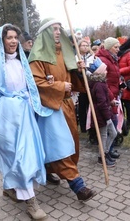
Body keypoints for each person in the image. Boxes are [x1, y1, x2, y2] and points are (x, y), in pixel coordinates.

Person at [0, 24, 52, 220]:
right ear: (2, 40)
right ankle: (31, 203)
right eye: (9, 37)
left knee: (26, 154)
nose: (13, 41)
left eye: (15, 37)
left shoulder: (22, 63)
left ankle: (11, 187)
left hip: (26, 117)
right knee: (18, 156)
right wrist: (13, 103)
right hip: (8, 119)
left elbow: (29, 87)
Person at [29, 18, 96, 202]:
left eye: (59, 28)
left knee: (71, 142)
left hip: (67, 105)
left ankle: (49, 169)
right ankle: (78, 186)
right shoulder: (37, 58)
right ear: (45, 33)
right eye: (54, 29)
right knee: (60, 146)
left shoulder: (64, 54)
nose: (58, 32)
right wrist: (59, 86)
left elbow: (72, 80)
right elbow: (35, 83)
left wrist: (78, 70)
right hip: (51, 108)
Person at [87, 58, 117, 166]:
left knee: (113, 133)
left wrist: (111, 103)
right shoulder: (99, 85)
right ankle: (102, 157)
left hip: (104, 113)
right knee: (103, 135)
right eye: (105, 70)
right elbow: (101, 103)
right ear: (100, 73)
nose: (107, 71)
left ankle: (106, 152)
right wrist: (108, 117)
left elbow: (104, 101)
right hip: (101, 115)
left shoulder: (101, 83)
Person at [96, 37, 122, 159]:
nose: (118, 49)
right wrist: (111, 97)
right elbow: (104, 83)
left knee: (114, 122)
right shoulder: (103, 60)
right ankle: (105, 152)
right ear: (108, 47)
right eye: (116, 47)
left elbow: (114, 76)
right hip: (107, 97)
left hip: (113, 94)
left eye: (118, 47)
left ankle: (109, 150)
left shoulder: (112, 59)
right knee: (110, 124)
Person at [118, 37, 130, 130]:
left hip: (127, 81)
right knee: (120, 103)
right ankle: (122, 121)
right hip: (119, 81)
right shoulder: (120, 54)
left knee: (127, 103)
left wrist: (119, 71)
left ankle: (129, 122)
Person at [77, 39, 94, 133]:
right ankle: (83, 126)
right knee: (82, 106)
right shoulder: (76, 57)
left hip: (91, 84)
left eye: (86, 45)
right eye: (83, 45)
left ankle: (91, 125)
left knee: (91, 106)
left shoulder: (91, 57)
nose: (85, 47)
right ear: (79, 47)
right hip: (82, 85)